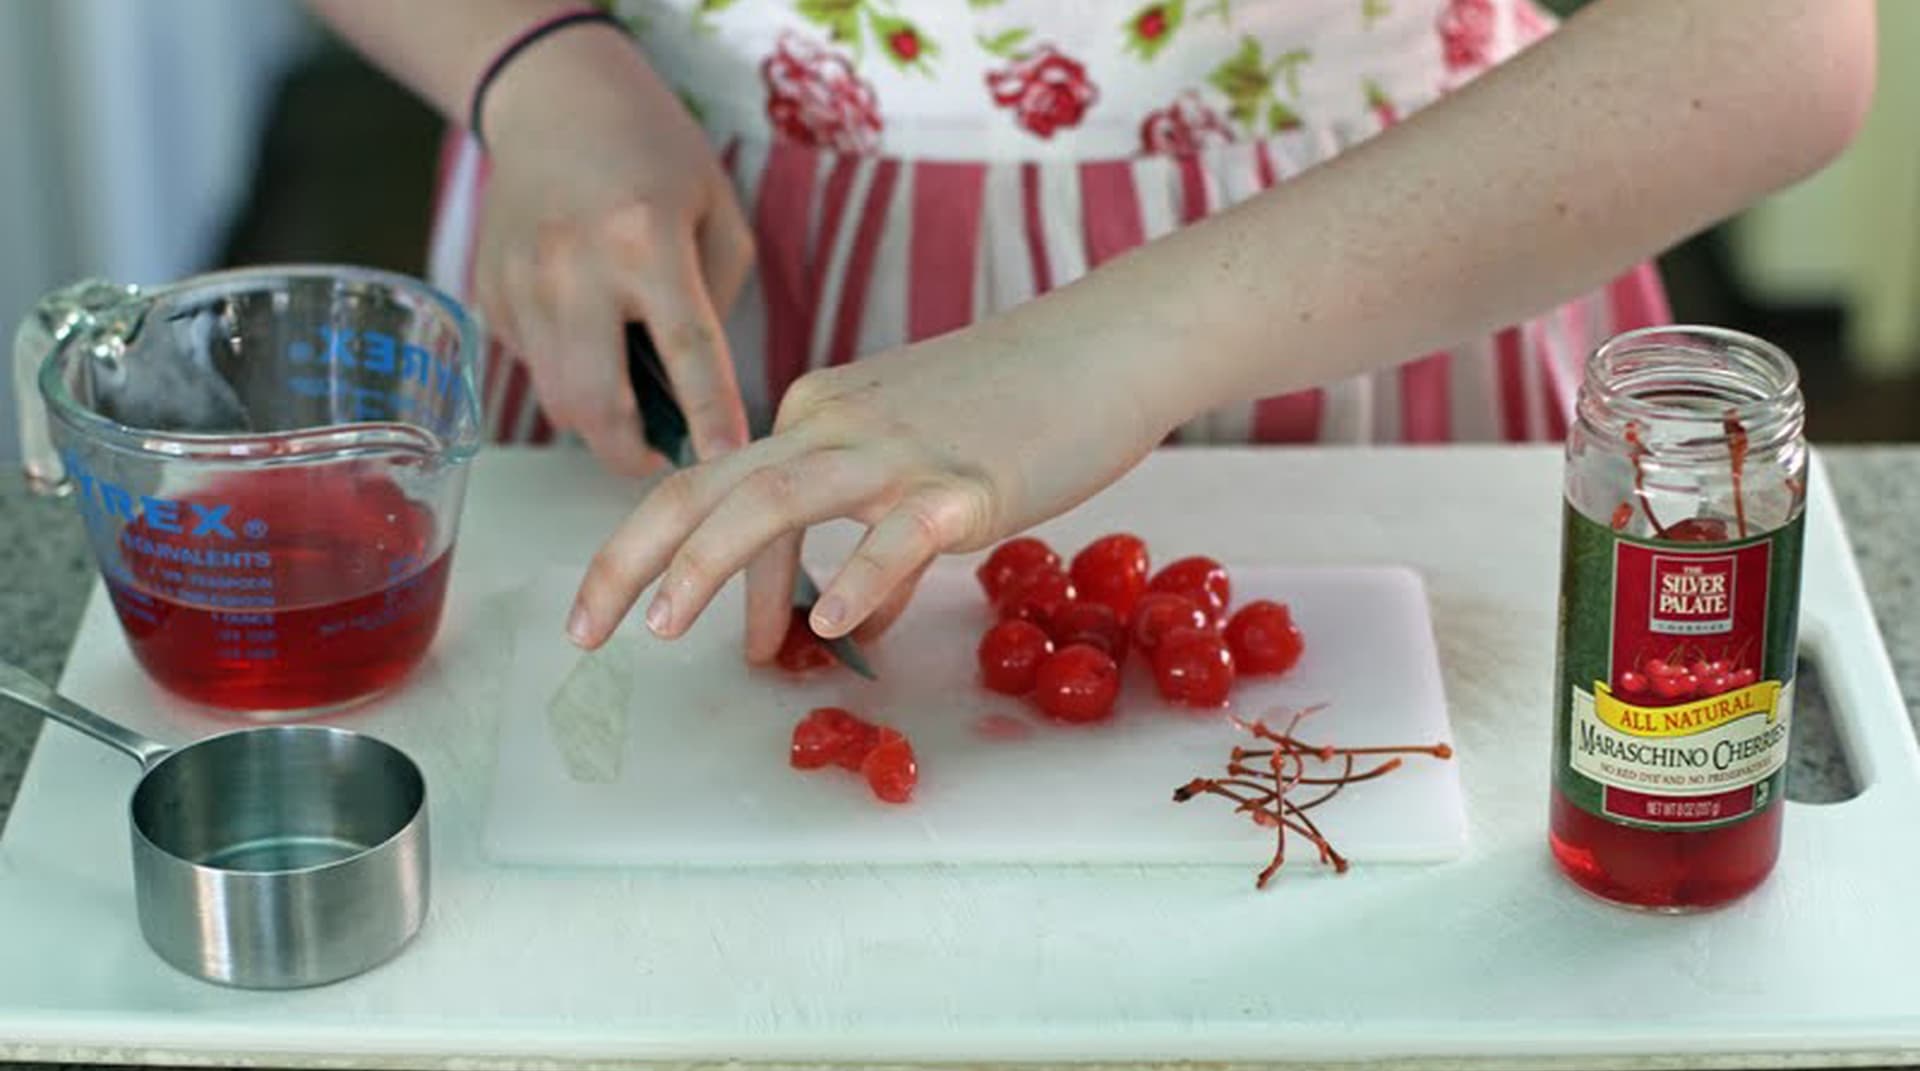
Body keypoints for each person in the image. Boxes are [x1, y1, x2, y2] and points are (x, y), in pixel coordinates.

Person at [311, 0, 1875, 661]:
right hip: (687, 242)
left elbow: (1780, 40)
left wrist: (1105, 351)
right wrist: (531, 62)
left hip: (1375, 269)